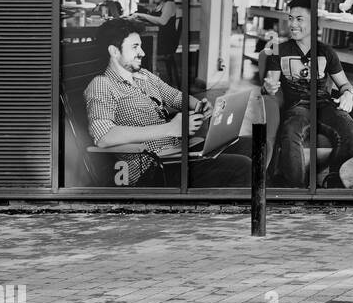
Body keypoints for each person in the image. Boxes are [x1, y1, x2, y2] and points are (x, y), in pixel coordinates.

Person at [84, 18, 251, 187]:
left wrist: (197, 105)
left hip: (176, 153)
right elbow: (103, 137)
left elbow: (175, 97)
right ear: (114, 51)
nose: (142, 52)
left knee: (250, 145)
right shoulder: (101, 85)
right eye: (135, 47)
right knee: (243, 167)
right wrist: (170, 128)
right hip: (153, 168)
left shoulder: (144, 75)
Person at [263, 0, 353, 188]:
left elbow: (344, 84)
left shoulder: (326, 52)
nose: (292, 24)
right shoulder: (279, 50)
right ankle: (296, 190)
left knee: (350, 130)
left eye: (299, 19)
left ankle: (336, 186)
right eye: (291, 18)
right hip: (297, 106)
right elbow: (271, 83)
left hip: (324, 104)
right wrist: (268, 87)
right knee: (291, 132)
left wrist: (348, 93)